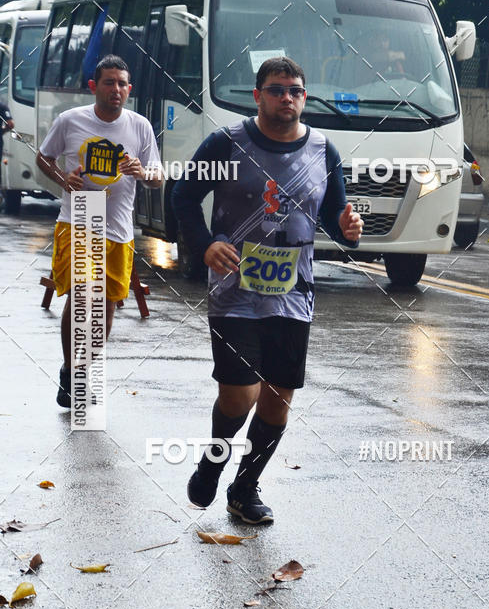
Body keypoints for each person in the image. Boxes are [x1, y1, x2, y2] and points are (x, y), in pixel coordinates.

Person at [172, 56, 363, 525]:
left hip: (294, 294)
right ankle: (213, 461)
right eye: (277, 89)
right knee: (241, 395)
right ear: (258, 95)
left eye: (296, 90)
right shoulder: (227, 144)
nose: (288, 98)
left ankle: (245, 487)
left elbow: (336, 218)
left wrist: (348, 228)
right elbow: (182, 196)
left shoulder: (323, 150)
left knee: (278, 399)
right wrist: (205, 244)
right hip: (234, 291)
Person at [36, 55, 162, 408]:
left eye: (122, 83)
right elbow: (44, 158)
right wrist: (65, 179)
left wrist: (141, 171)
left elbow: (158, 179)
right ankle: (72, 372)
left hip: (120, 226)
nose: (116, 90)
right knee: (82, 300)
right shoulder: (70, 120)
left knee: (105, 305)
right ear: (94, 86)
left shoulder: (140, 126)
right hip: (80, 217)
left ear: (129, 89)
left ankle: (80, 370)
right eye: (109, 82)